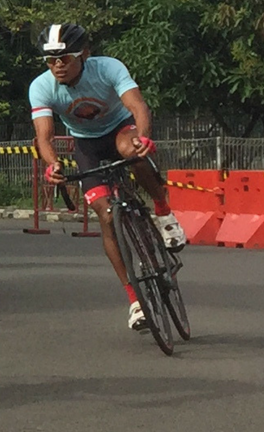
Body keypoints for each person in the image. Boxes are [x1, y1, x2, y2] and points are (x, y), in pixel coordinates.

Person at [26, 22, 188, 331]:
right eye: (50, 60)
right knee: (105, 213)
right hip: (86, 144)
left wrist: (143, 137)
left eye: (65, 58)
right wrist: (52, 165)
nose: (58, 66)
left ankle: (164, 213)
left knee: (133, 152)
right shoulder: (41, 87)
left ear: (84, 54)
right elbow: (45, 137)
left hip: (120, 129)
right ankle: (135, 300)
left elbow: (137, 105)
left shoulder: (108, 68)